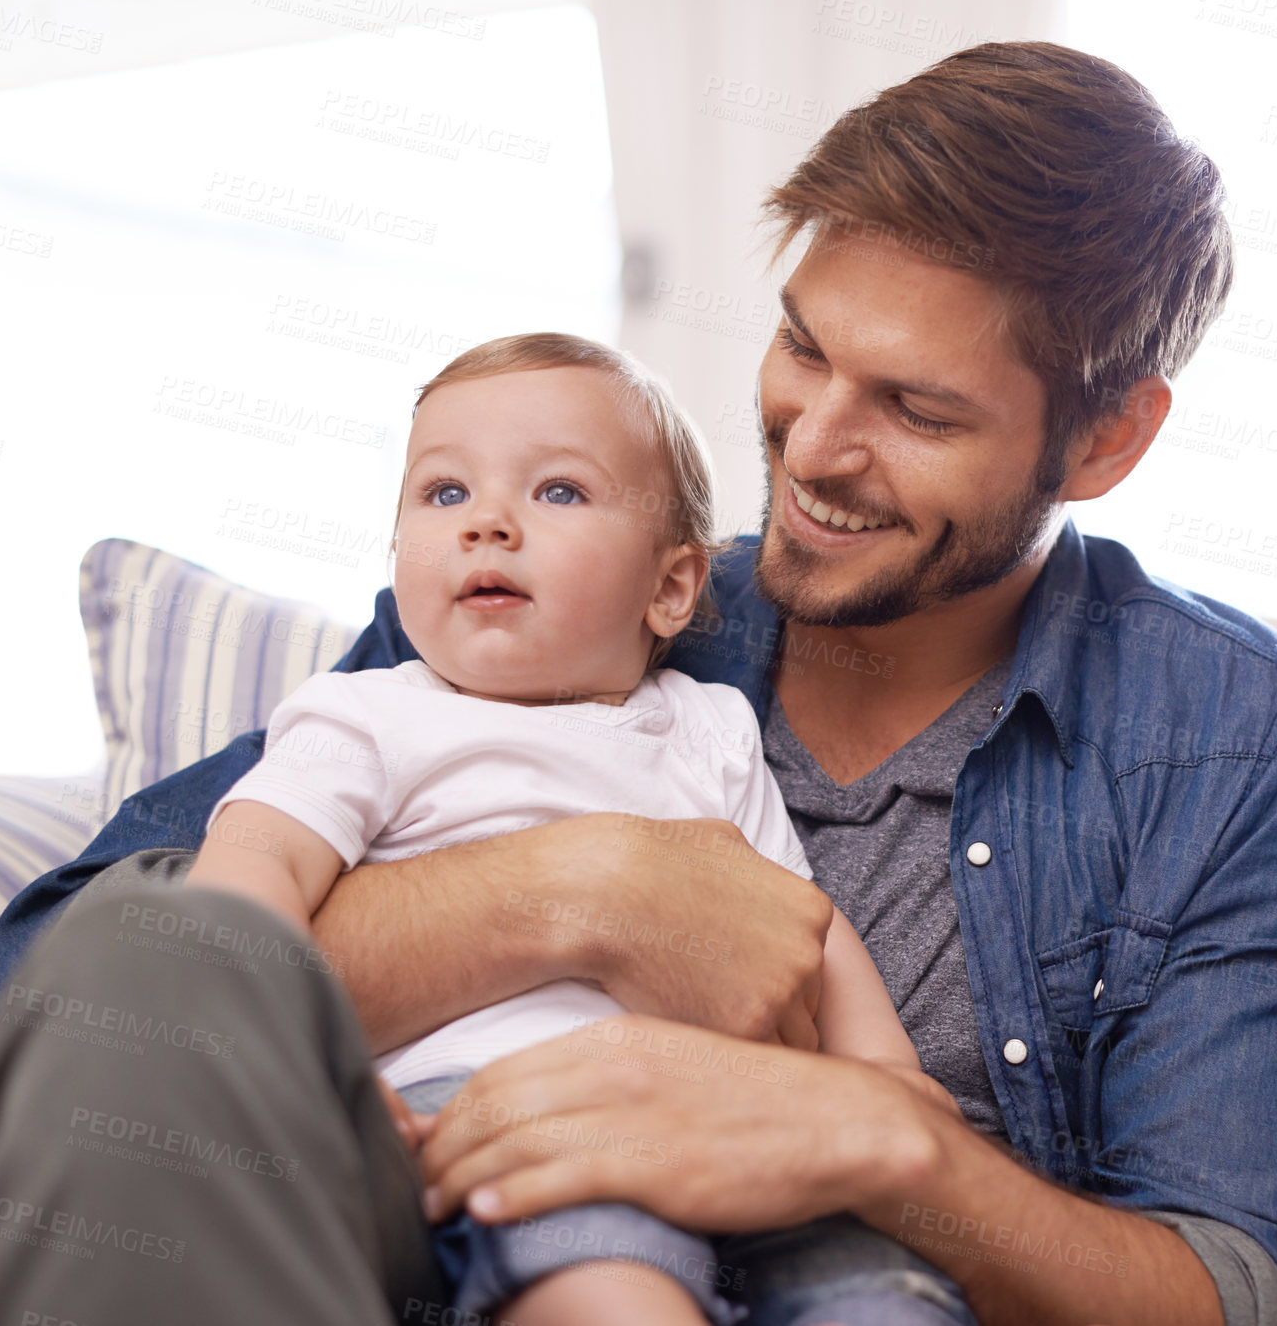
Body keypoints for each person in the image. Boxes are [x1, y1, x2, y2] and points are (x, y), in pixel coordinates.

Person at [0, 41, 1277, 1326]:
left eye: (915, 407)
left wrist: (886, 1146)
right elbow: (77, 988)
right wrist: (584, 890)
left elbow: (1232, 1287)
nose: (814, 448)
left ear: (1105, 436)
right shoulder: (566, 600)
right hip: (454, 1233)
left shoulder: (1234, 741)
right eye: (802, 348)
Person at [180, 329, 965, 1326]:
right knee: (603, 1270)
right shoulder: (367, 715)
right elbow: (251, 868)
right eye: (443, 492)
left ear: (672, 585)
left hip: (732, 1121)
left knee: (884, 1287)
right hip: (498, 1111)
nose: (488, 524)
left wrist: (885, 1080)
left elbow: (798, 919)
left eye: (556, 492)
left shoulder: (710, 728)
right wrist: (289, 1053)